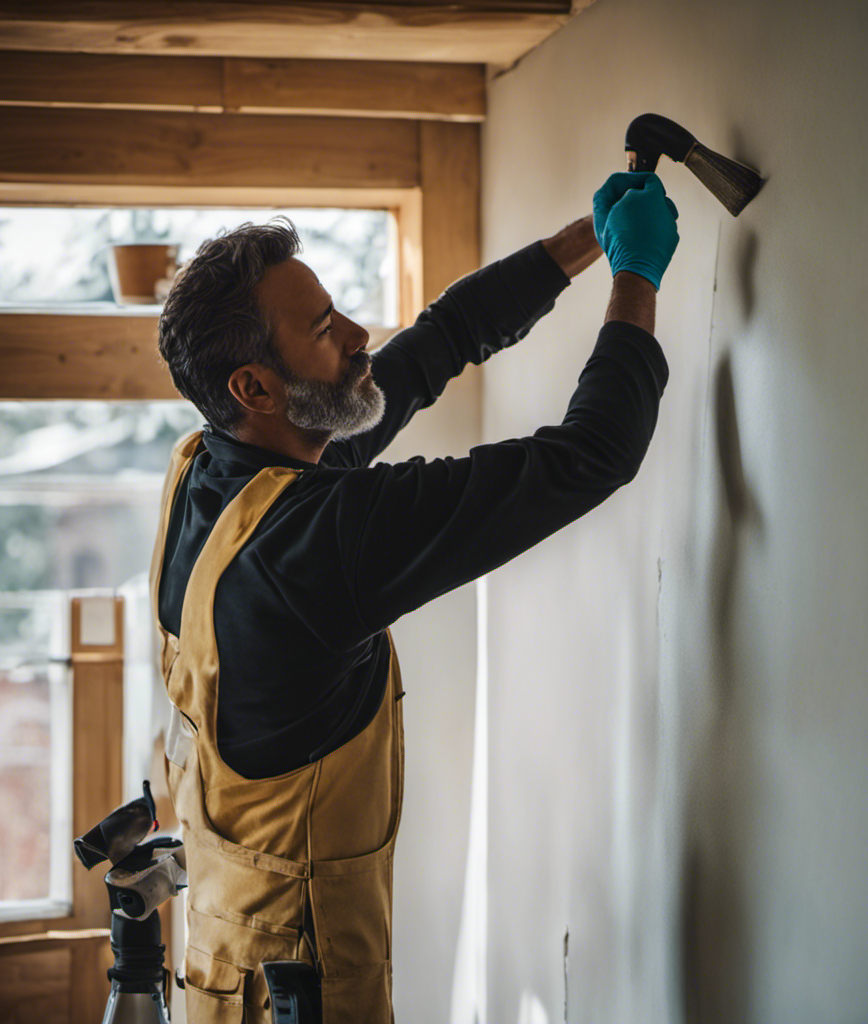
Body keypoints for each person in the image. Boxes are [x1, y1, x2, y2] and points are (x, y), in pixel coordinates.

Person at [150, 171, 678, 1023]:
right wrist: (639, 275)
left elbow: (439, 343)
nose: (360, 336)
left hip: (220, 954)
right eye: (325, 331)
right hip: (298, 987)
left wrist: (591, 235)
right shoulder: (318, 544)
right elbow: (591, 455)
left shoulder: (212, 471)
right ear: (254, 387)